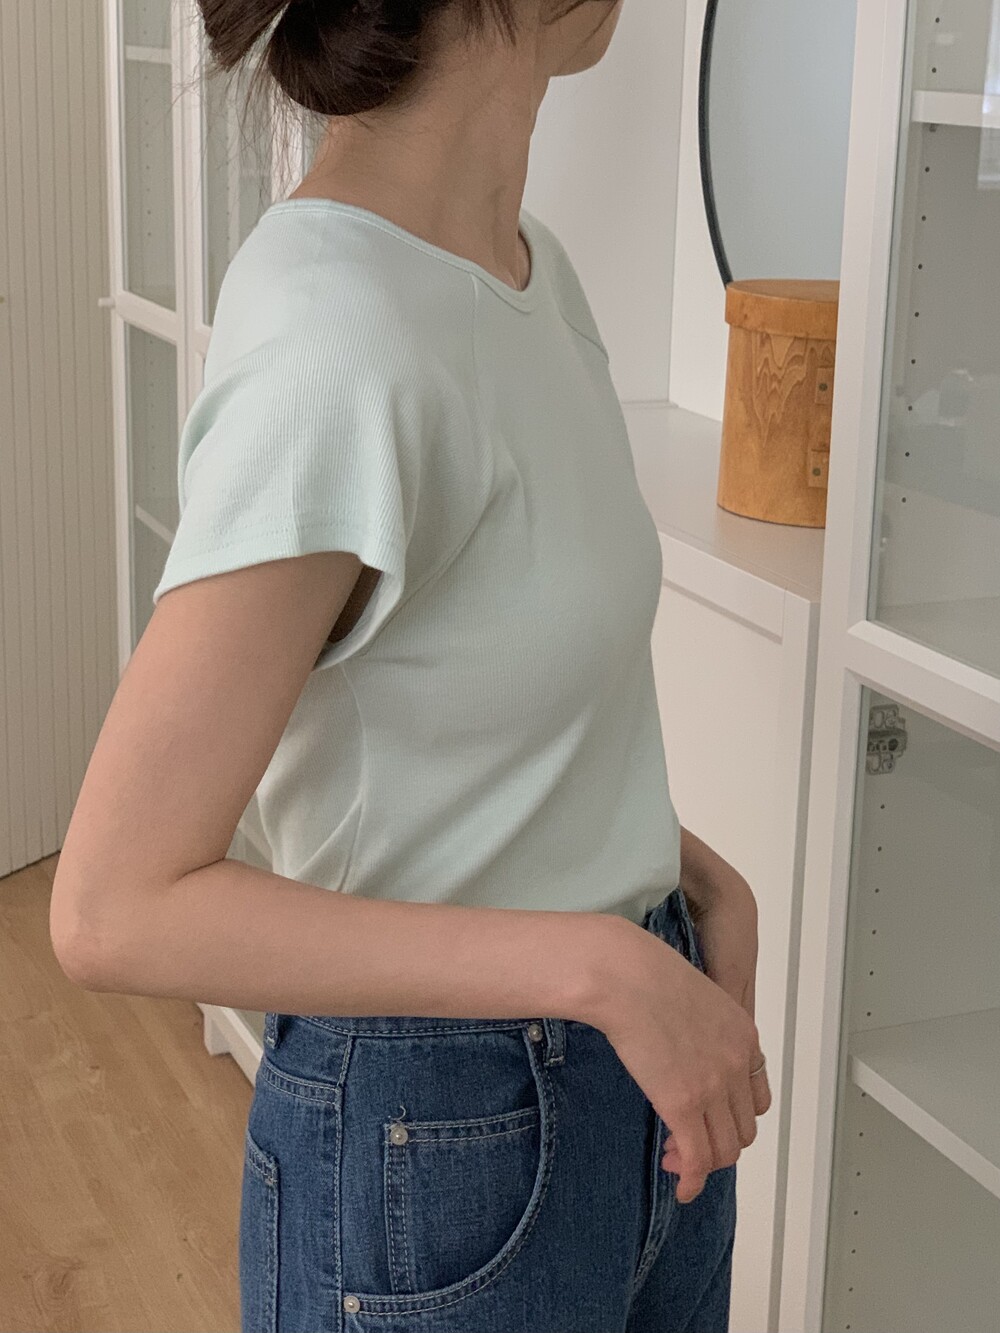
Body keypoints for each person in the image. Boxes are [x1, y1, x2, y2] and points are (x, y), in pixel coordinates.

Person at [50, 0, 772, 1328]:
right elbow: (114, 905)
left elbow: (470, 705)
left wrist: (688, 878)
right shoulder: (338, 342)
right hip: (442, 1144)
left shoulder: (527, 272)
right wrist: (601, 969)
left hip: (638, 1086)